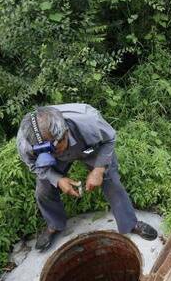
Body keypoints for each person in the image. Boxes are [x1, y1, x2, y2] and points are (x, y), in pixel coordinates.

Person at [16, 103, 157, 251]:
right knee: (43, 190)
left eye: (54, 150)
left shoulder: (89, 121)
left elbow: (109, 140)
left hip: (87, 147)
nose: (52, 155)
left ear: (64, 133)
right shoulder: (26, 142)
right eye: (46, 152)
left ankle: (130, 223)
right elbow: (34, 165)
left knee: (112, 181)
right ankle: (54, 224)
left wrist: (98, 169)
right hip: (48, 159)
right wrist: (57, 179)